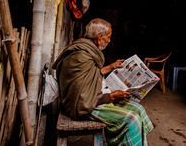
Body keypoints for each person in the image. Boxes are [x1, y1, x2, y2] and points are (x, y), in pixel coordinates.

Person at [53, 18, 153, 146]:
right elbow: (83, 100)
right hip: (81, 108)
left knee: (139, 109)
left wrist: (110, 67)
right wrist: (111, 96)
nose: (109, 40)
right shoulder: (80, 56)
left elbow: (90, 75)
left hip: (92, 99)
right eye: (108, 37)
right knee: (131, 119)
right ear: (99, 37)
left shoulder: (85, 48)